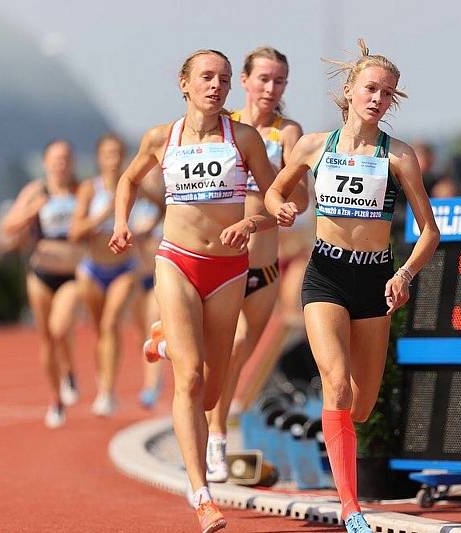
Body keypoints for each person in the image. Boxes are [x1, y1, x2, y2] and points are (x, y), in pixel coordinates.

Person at [264, 39, 440, 533]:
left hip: (376, 281)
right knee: (337, 384)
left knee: (359, 405)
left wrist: (404, 274)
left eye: (388, 93)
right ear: (349, 89)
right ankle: (350, 506)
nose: (377, 98)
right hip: (326, 274)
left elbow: (430, 232)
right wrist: (279, 204)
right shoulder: (313, 146)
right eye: (370, 88)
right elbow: (279, 188)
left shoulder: (399, 156)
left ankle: (331, 420)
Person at [109, 49, 276, 533]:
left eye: (224, 79)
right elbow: (127, 178)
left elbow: (274, 198)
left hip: (227, 271)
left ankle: (162, 341)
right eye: (207, 77)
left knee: (211, 388)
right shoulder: (163, 137)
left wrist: (253, 220)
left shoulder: (243, 138)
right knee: (188, 381)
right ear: (184, 84)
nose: (216, 85)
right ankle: (202, 494)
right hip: (177, 262)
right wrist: (121, 222)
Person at [203, 45, 308, 482]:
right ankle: (214, 437)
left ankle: (215, 435)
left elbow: (300, 200)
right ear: (243, 81)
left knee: (239, 349)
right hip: (216, 262)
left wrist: (262, 218)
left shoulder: (287, 133)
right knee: (221, 351)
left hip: (262, 267)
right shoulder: (222, 127)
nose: (270, 88)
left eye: (278, 80)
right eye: (263, 79)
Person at [0, 140, 82, 428]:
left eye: (66, 158)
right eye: (56, 158)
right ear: (46, 162)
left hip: (72, 273)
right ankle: (55, 398)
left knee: (60, 328)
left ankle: (70, 371)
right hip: (40, 273)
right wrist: (31, 211)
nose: (61, 164)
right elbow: (7, 228)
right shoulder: (36, 191)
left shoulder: (81, 190)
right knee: (46, 339)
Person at [69, 134, 141, 416]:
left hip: (124, 268)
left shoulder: (132, 185)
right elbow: (75, 232)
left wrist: (147, 226)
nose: (113, 160)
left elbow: (161, 206)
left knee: (111, 324)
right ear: (99, 158)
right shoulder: (90, 188)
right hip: (92, 269)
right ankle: (103, 377)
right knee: (100, 329)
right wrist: (103, 215)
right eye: (108, 154)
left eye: (118, 154)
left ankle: (108, 391)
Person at [130, 166, 166, 408]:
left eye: (156, 173)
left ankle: (151, 385)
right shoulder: (133, 205)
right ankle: (153, 380)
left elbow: (160, 204)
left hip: (162, 275)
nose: (150, 178)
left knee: (155, 324)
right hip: (139, 274)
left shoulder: (169, 198)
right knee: (142, 332)